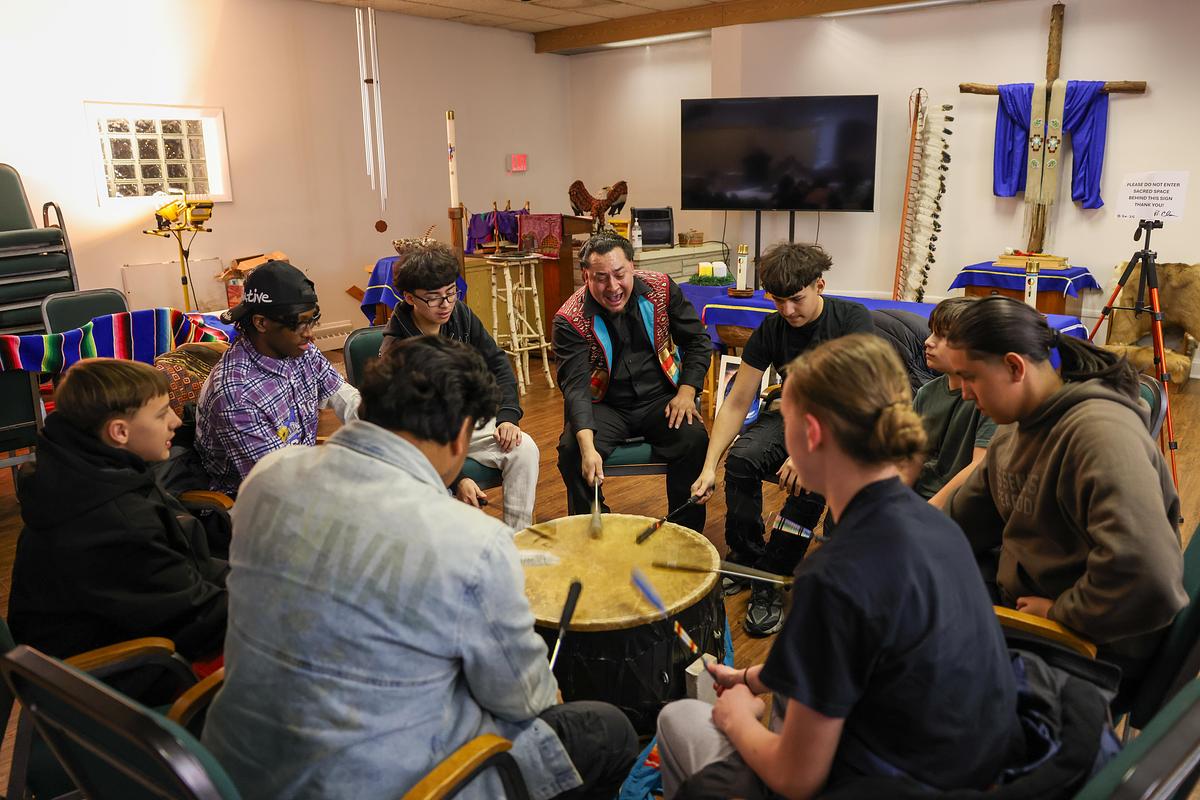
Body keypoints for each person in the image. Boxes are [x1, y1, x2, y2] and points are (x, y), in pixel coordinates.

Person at [203, 337, 638, 799]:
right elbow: (523, 699)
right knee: (608, 731)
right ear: (459, 438)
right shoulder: (470, 542)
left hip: (234, 769)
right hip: (376, 785)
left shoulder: (267, 478)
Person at [656, 334, 1025, 799]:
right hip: (965, 771)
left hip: (886, 783)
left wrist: (737, 719)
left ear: (810, 435)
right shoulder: (939, 528)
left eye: (784, 421)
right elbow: (862, 650)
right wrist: (754, 677)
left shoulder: (832, 578)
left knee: (679, 719)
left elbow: (796, 778)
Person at [944, 296, 1186, 689]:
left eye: (969, 377)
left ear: (1013, 366)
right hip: (1033, 605)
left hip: (1094, 643)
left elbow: (1149, 577)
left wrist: (1062, 612)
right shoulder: (1018, 429)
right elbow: (961, 520)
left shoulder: (1101, 435)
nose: (964, 393)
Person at [691, 242, 872, 636]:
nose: (788, 311)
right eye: (778, 301)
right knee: (740, 461)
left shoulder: (852, 320)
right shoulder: (772, 328)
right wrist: (709, 466)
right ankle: (747, 558)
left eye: (796, 299)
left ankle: (772, 578)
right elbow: (738, 402)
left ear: (820, 285)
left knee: (811, 484)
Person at [9, 358, 227, 662]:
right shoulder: (113, 520)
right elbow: (197, 620)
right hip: (122, 676)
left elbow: (185, 566)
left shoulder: (95, 470)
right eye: (163, 413)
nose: (177, 421)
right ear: (119, 432)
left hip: (138, 631)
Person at [554, 233, 711, 532]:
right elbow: (575, 387)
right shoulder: (569, 319)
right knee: (573, 451)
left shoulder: (661, 289)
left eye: (619, 274)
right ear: (586, 275)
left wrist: (687, 392)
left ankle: (684, 532)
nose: (612, 287)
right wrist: (587, 448)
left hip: (662, 399)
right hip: (606, 404)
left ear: (632, 266)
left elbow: (698, 341)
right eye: (600, 278)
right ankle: (595, 530)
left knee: (693, 439)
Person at [380, 242, 539, 529]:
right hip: (424, 440)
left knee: (523, 448)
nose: (445, 304)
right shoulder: (398, 349)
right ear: (408, 298)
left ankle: (518, 539)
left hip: (466, 424)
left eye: (451, 292)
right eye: (433, 297)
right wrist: (456, 479)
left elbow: (498, 364)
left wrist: (508, 416)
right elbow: (408, 429)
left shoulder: (460, 315)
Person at [196, 260, 360, 495]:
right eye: (299, 324)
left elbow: (343, 396)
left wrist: (384, 431)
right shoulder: (237, 396)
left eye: (311, 320)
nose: (310, 334)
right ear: (261, 323)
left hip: (301, 476)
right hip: (259, 507)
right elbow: (281, 484)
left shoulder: (299, 349)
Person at [910, 297, 997, 507]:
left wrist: (929, 511)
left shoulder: (988, 397)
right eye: (931, 332)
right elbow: (911, 459)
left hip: (959, 506)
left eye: (942, 337)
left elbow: (979, 465)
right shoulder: (926, 393)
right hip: (920, 499)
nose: (928, 341)